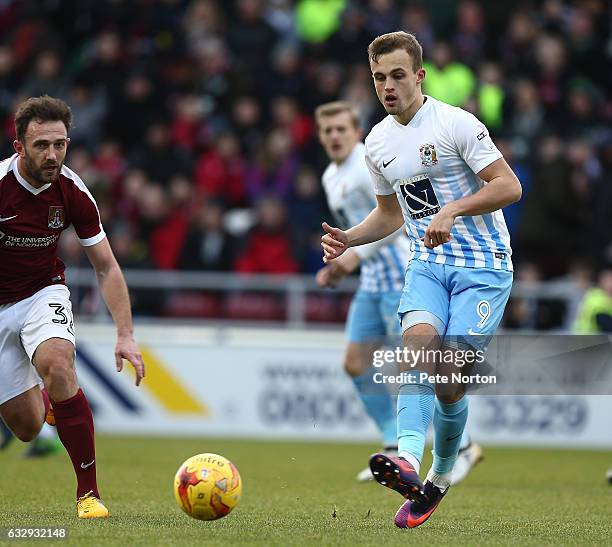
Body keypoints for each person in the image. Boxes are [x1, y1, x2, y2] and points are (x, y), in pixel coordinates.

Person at [321, 32, 521, 528]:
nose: (387, 86)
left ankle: (440, 477)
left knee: (451, 385)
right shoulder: (378, 142)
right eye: (378, 78)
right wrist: (350, 237)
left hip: (484, 267)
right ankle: (407, 461)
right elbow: (390, 215)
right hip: (428, 265)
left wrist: (453, 209)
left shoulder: (456, 124)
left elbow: (509, 186)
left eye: (396, 75)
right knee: (416, 351)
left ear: (419, 75)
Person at [315, 100, 483, 484]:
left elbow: (396, 220)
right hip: (371, 282)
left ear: (356, 131)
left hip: (398, 276)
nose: (335, 136)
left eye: (342, 129)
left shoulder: (367, 162)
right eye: (328, 131)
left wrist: (353, 258)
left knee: (421, 367)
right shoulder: (330, 176)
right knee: (355, 364)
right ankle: (394, 444)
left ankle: (463, 444)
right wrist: (347, 260)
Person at [0, 96, 145, 518]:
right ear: (19, 146)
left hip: (41, 294)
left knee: (60, 364)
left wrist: (125, 335)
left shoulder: (73, 190)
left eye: (60, 144)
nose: (52, 155)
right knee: (26, 428)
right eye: (42, 145)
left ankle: (89, 495)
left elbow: (107, 268)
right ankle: (47, 405)